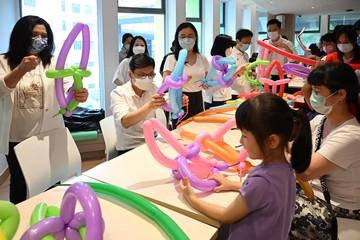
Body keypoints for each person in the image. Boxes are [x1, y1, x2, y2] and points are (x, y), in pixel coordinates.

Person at [180, 93, 312, 239]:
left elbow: (227, 215)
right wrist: (233, 185)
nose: (241, 141)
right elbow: (268, 194)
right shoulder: (286, 168)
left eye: (245, 136)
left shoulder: (262, 180)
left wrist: (192, 198)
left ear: (272, 141)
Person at [0, 15, 88, 204]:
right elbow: (1, 89)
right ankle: (21, 221)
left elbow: (65, 89)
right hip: (18, 138)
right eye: (34, 34)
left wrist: (77, 93)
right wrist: (21, 69)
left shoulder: (54, 62)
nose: (40, 39)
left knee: (51, 179)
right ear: (21, 35)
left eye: (44, 36)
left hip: (51, 135)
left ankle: (51, 215)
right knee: (22, 184)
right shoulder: (4, 62)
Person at [297, 62, 360, 220]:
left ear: (340, 95)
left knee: (267, 209)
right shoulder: (320, 121)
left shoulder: (351, 135)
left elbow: (306, 172)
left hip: (338, 212)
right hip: (313, 197)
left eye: (317, 92)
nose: (313, 97)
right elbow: (292, 144)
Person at [110, 53, 188, 155]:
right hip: (130, 147)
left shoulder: (153, 88)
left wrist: (177, 102)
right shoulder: (119, 93)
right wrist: (150, 106)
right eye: (142, 75)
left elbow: (166, 102)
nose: (147, 79)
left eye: (151, 74)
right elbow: (125, 122)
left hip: (152, 142)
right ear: (130, 74)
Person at [302, 25, 360, 113]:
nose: (343, 45)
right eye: (339, 42)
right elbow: (307, 87)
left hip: (352, 103)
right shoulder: (330, 58)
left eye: (346, 42)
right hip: (331, 101)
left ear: (354, 41)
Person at [163, 22, 210, 126]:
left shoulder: (202, 58)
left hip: (198, 98)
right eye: (182, 36)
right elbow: (165, 84)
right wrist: (181, 82)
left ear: (195, 38)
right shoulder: (172, 58)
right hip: (180, 98)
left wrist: (206, 84)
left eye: (190, 36)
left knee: (198, 128)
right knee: (180, 131)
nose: (187, 39)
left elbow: (207, 80)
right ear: (177, 39)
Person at [264, 19, 297, 89]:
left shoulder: (287, 43)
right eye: (269, 30)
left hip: (282, 76)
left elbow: (293, 60)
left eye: (274, 30)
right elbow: (259, 61)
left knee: (282, 97)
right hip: (267, 76)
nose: (272, 32)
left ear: (279, 30)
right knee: (267, 98)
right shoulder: (265, 44)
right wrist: (267, 51)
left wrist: (286, 48)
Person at [203, 34, 233, 109]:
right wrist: (237, 73)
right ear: (223, 47)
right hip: (215, 98)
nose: (231, 48)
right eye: (229, 46)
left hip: (225, 96)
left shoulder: (226, 61)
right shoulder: (214, 63)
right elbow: (221, 81)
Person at [230, 29, 254, 100]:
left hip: (246, 90)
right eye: (245, 42)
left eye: (249, 43)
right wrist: (240, 71)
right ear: (237, 41)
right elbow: (228, 76)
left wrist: (252, 74)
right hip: (234, 91)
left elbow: (245, 72)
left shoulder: (246, 55)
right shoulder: (231, 55)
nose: (247, 45)